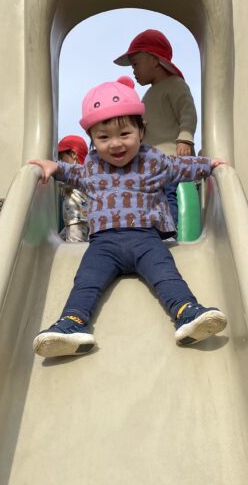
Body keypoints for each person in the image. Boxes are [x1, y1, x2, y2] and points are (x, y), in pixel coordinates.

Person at [29, 76, 228, 358]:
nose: (115, 144)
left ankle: (187, 314)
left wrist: (209, 165)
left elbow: (181, 167)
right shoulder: (92, 167)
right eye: (103, 137)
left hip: (145, 239)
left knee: (166, 275)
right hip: (103, 245)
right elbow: (70, 172)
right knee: (86, 281)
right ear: (93, 140)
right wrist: (54, 166)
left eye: (124, 134)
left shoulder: (154, 161)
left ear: (141, 131)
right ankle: (71, 325)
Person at [114, 29, 198, 226]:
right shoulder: (149, 94)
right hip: (150, 161)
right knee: (148, 197)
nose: (133, 70)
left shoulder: (175, 85)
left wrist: (185, 138)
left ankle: (172, 229)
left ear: (153, 59)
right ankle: (152, 228)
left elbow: (187, 112)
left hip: (171, 156)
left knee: (169, 194)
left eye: (135, 64)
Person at [57, 135, 90, 242]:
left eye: (62, 158)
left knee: (74, 251)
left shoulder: (77, 172)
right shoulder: (84, 171)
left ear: (73, 154)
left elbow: (60, 180)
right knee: (58, 241)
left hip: (78, 221)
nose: (61, 162)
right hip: (72, 221)